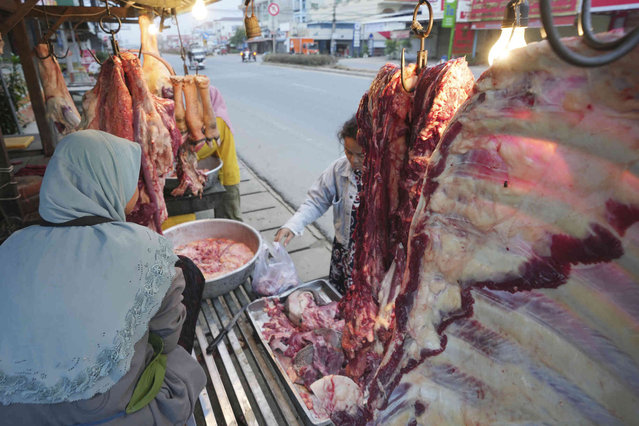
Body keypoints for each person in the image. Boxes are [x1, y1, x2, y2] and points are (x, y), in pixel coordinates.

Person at [0, 130, 206, 425]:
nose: (135, 190)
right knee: (178, 359)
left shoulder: (10, 248)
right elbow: (167, 337)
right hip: (115, 417)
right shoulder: (145, 248)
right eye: (130, 181)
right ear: (108, 183)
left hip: (14, 415)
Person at [274, 115, 363, 295]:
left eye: (360, 154)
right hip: (344, 254)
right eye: (348, 152)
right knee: (339, 302)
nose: (353, 160)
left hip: (372, 262)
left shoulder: (387, 177)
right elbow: (316, 201)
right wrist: (293, 225)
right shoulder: (339, 170)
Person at [197, 86, 243, 221]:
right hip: (221, 177)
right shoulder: (214, 116)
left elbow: (205, 148)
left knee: (231, 218)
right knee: (223, 218)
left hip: (227, 179)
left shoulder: (218, 120)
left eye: (201, 101)